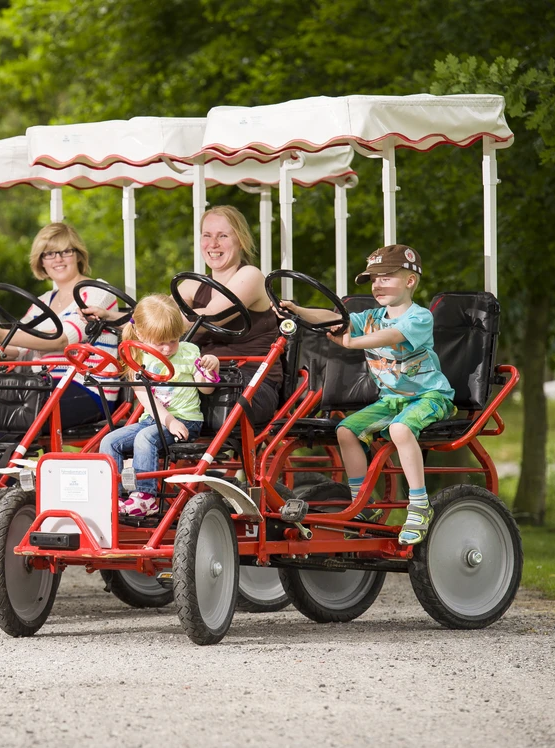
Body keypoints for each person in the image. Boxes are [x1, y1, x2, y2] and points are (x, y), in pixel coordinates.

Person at [277, 244, 455, 545]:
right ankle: (362, 503)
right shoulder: (371, 316)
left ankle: (419, 504)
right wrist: (298, 309)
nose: (378, 284)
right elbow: (335, 319)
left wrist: (352, 343)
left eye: (386, 277)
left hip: (429, 397)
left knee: (400, 428)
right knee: (346, 430)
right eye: (374, 279)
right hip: (390, 399)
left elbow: (392, 336)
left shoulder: (419, 317)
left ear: (410, 281)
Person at [84, 205, 282, 425]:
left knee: (170, 387)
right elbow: (154, 318)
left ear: (240, 240)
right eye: (207, 235)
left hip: (249, 381)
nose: (213, 244)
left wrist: (155, 323)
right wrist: (108, 317)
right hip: (198, 380)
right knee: (149, 381)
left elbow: (209, 318)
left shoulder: (251, 276)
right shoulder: (192, 285)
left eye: (223, 236)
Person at [0, 222, 119, 427]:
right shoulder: (43, 302)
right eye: (49, 254)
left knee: (6, 413)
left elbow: (61, 340)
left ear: (78, 255)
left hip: (87, 389)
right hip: (41, 387)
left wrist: (2, 335)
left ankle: (2, 459)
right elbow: (14, 349)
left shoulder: (97, 291)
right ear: (41, 261)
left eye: (65, 251)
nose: (58, 259)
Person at [99, 294, 220, 517]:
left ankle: (146, 498)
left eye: (173, 341)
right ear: (140, 334)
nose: (166, 349)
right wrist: (167, 420)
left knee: (144, 438)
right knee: (110, 440)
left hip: (185, 421)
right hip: (156, 420)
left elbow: (206, 389)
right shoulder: (137, 357)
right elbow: (146, 398)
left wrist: (211, 369)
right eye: (159, 343)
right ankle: (113, 496)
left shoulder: (188, 352)